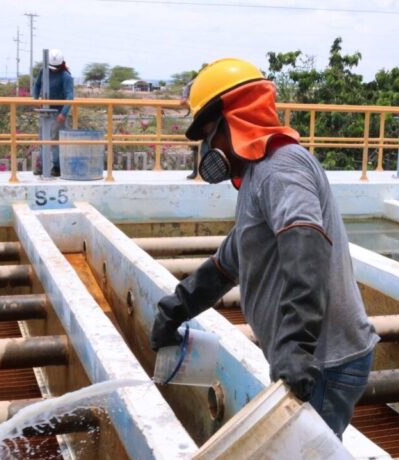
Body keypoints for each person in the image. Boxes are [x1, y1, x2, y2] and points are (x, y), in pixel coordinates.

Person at [150, 58, 379, 437]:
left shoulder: (281, 168)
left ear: (234, 121)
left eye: (208, 133)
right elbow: (229, 262)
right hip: (313, 356)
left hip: (324, 361)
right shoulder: (259, 174)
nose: (206, 147)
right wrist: (175, 308)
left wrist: (295, 348)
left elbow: (307, 250)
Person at [32, 48, 74, 177]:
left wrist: (64, 113)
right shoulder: (43, 72)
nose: (53, 69)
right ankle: (42, 165)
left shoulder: (66, 76)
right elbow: (37, 85)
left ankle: (57, 167)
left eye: (56, 67)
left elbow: (69, 96)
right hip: (45, 111)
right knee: (43, 138)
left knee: (56, 141)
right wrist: (36, 99)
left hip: (58, 112)